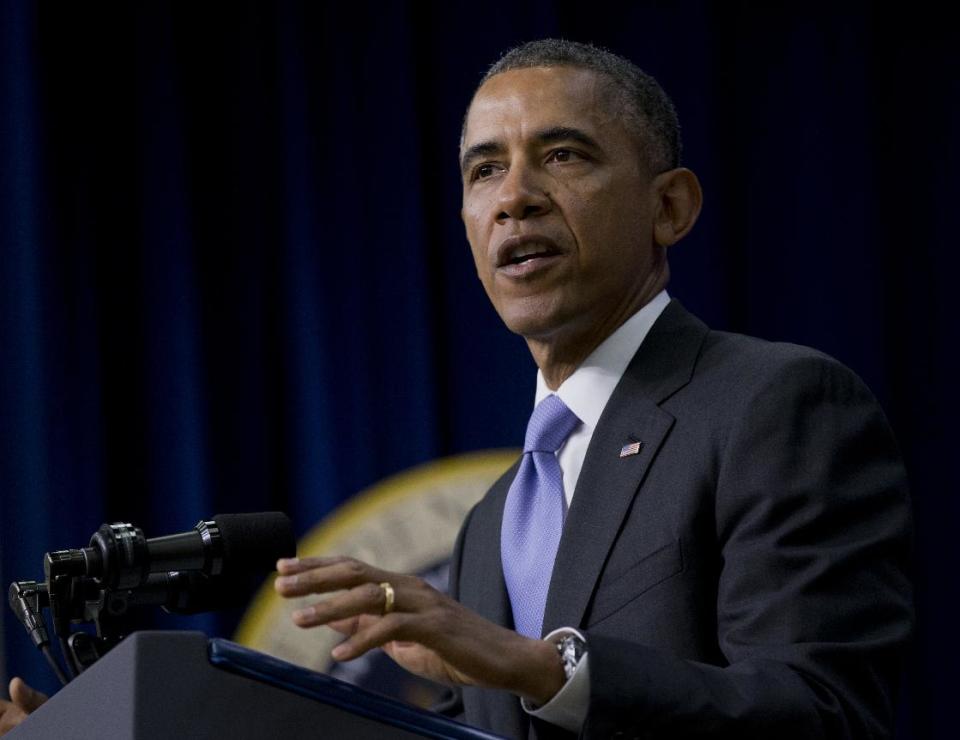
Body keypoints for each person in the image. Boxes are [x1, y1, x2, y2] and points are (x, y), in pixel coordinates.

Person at [1, 39, 912, 739]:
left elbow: (823, 711)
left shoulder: (775, 403)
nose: (514, 197)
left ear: (669, 206)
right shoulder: (491, 524)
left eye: (563, 155)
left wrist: (536, 665)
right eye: (485, 171)